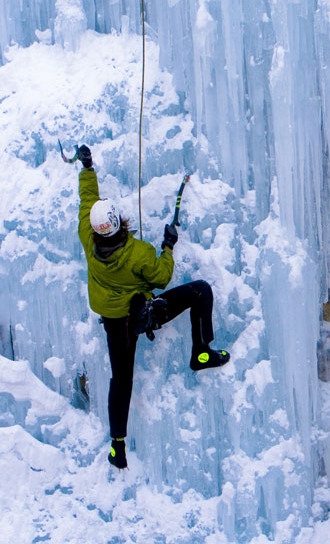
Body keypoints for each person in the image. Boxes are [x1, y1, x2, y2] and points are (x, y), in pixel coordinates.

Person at [76, 144, 229, 469]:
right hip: (141, 314)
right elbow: (161, 276)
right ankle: (201, 352)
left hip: (113, 322)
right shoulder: (138, 252)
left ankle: (118, 447)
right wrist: (168, 246)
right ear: (119, 222)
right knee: (200, 291)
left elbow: (86, 201)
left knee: (121, 380)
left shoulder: (88, 240)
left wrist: (87, 168)